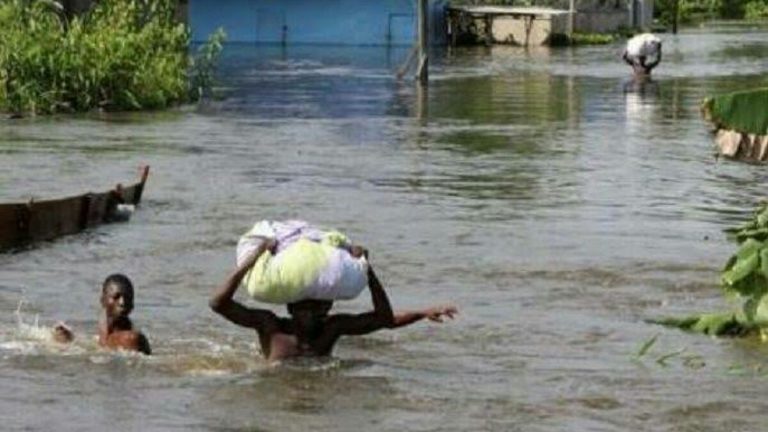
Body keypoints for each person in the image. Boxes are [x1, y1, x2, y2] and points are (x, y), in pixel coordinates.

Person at [209, 239, 457, 362]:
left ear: (329, 306)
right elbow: (218, 303)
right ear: (291, 307)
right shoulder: (270, 326)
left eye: (321, 307)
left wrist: (366, 269)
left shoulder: (332, 328)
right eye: (307, 308)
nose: (315, 313)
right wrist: (254, 257)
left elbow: (384, 320)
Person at [97, 274, 151, 355]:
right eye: (116, 297)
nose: (122, 302)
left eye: (127, 298)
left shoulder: (130, 339)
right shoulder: (102, 332)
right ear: (102, 300)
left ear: (132, 305)